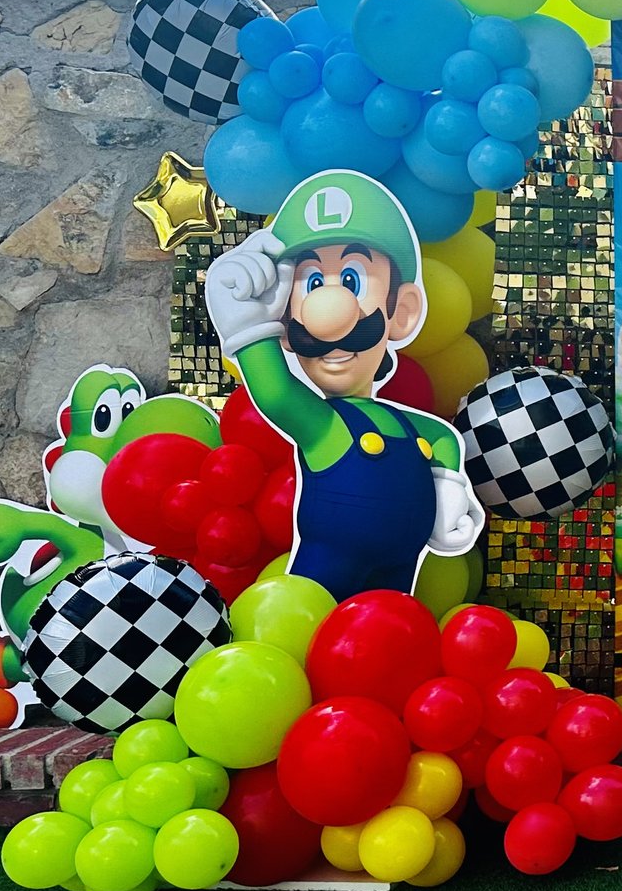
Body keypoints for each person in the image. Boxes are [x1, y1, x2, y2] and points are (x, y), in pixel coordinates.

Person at [204, 170, 484, 601]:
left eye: (352, 280)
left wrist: (447, 484)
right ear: (285, 321)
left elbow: (442, 437)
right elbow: (276, 393)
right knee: (313, 619)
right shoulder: (324, 425)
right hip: (327, 570)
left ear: (401, 311)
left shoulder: (411, 426)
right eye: (313, 283)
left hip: (399, 574)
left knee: (387, 629)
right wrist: (244, 321)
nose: (329, 313)